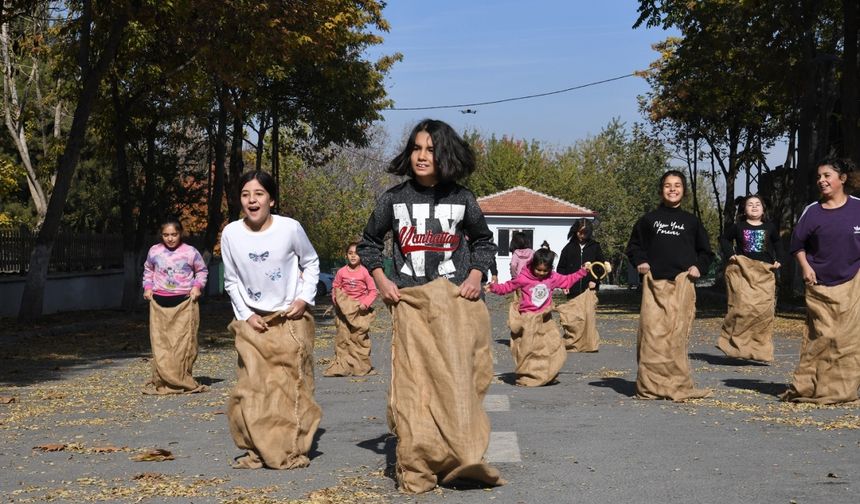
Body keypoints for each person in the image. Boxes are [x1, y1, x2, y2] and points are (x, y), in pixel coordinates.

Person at [358, 119, 504, 493]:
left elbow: (485, 243)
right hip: (411, 305)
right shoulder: (392, 199)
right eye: (417, 148)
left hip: (455, 305)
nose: (423, 156)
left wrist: (474, 277)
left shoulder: (463, 199)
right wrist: (381, 280)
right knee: (415, 387)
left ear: (445, 155)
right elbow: (369, 243)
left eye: (431, 149)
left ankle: (461, 455)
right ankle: (419, 462)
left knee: (456, 382)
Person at [220, 170, 322, 470]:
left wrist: (302, 299)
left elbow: (311, 262)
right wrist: (247, 315)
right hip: (253, 322)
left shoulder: (290, 229)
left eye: (259, 194)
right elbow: (231, 281)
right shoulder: (230, 234)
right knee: (251, 388)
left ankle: (291, 447)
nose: (252, 200)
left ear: (271, 199)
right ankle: (256, 447)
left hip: (289, 318)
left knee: (291, 387)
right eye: (245, 194)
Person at [626, 170, 715, 400]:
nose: (672, 189)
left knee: (676, 337)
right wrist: (641, 262)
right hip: (655, 286)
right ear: (661, 190)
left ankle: (677, 384)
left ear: (684, 191)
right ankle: (651, 385)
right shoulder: (649, 220)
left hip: (682, 286)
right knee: (653, 335)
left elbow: (706, 252)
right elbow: (634, 247)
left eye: (677, 185)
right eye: (667, 185)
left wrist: (698, 267)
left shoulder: (691, 222)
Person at [782, 158, 860, 404]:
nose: (821, 181)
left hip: (853, 283)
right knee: (823, 337)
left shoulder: (858, 207)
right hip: (820, 285)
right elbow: (797, 245)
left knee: (848, 339)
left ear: (842, 179)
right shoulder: (812, 211)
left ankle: (843, 389)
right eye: (819, 177)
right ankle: (813, 384)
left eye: (827, 175)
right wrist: (805, 267)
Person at [485, 248, 589, 386]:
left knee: (552, 346)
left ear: (550, 269)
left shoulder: (552, 277)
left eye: (544, 271)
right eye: (538, 270)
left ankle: (547, 373)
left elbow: (567, 280)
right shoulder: (524, 278)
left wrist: (582, 272)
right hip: (528, 318)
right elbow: (508, 287)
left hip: (545, 319)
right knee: (529, 349)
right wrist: (493, 288)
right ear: (533, 265)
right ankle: (529, 375)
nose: (541, 273)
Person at [141, 219, 208, 395]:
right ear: (161, 235)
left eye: (174, 234)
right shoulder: (154, 251)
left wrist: (196, 287)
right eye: (166, 235)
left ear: (180, 233)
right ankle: (163, 379)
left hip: (184, 302)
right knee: (161, 344)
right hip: (159, 302)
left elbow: (201, 271)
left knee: (183, 344)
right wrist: (147, 288)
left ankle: (181, 379)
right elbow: (148, 270)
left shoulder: (190, 252)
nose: (170, 238)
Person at [717, 194, 783, 362]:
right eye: (750, 204)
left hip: (764, 274)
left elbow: (778, 244)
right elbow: (724, 239)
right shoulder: (738, 227)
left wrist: (778, 260)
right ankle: (735, 345)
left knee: (763, 312)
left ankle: (760, 350)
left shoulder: (770, 227)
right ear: (744, 210)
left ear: (763, 209)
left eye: (758, 204)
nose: (754, 207)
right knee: (743, 309)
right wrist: (731, 254)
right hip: (744, 273)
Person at [324, 241, 378, 377]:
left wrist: (364, 304)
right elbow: (335, 288)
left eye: (357, 254)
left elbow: (373, 291)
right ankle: (343, 366)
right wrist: (337, 302)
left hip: (359, 311)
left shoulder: (365, 272)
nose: (353, 256)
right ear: (346, 256)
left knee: (358, 338)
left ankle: (361, 366)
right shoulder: (341, 272)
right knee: (343, 338)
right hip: (344, 310)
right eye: (350, 253)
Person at [556, 219, 605, 352]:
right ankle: (573, 344)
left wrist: (596, 280)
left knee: (588, 317)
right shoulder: (568, 248)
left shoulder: (595, 246)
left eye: (586, 233)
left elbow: (601, 266)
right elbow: (561, 269)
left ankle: (589, 345)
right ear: (575, 231)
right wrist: (563, 284)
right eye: (580, 232)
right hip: (572, 288)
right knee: (573, 318)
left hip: (589, 288)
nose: (582, 235)